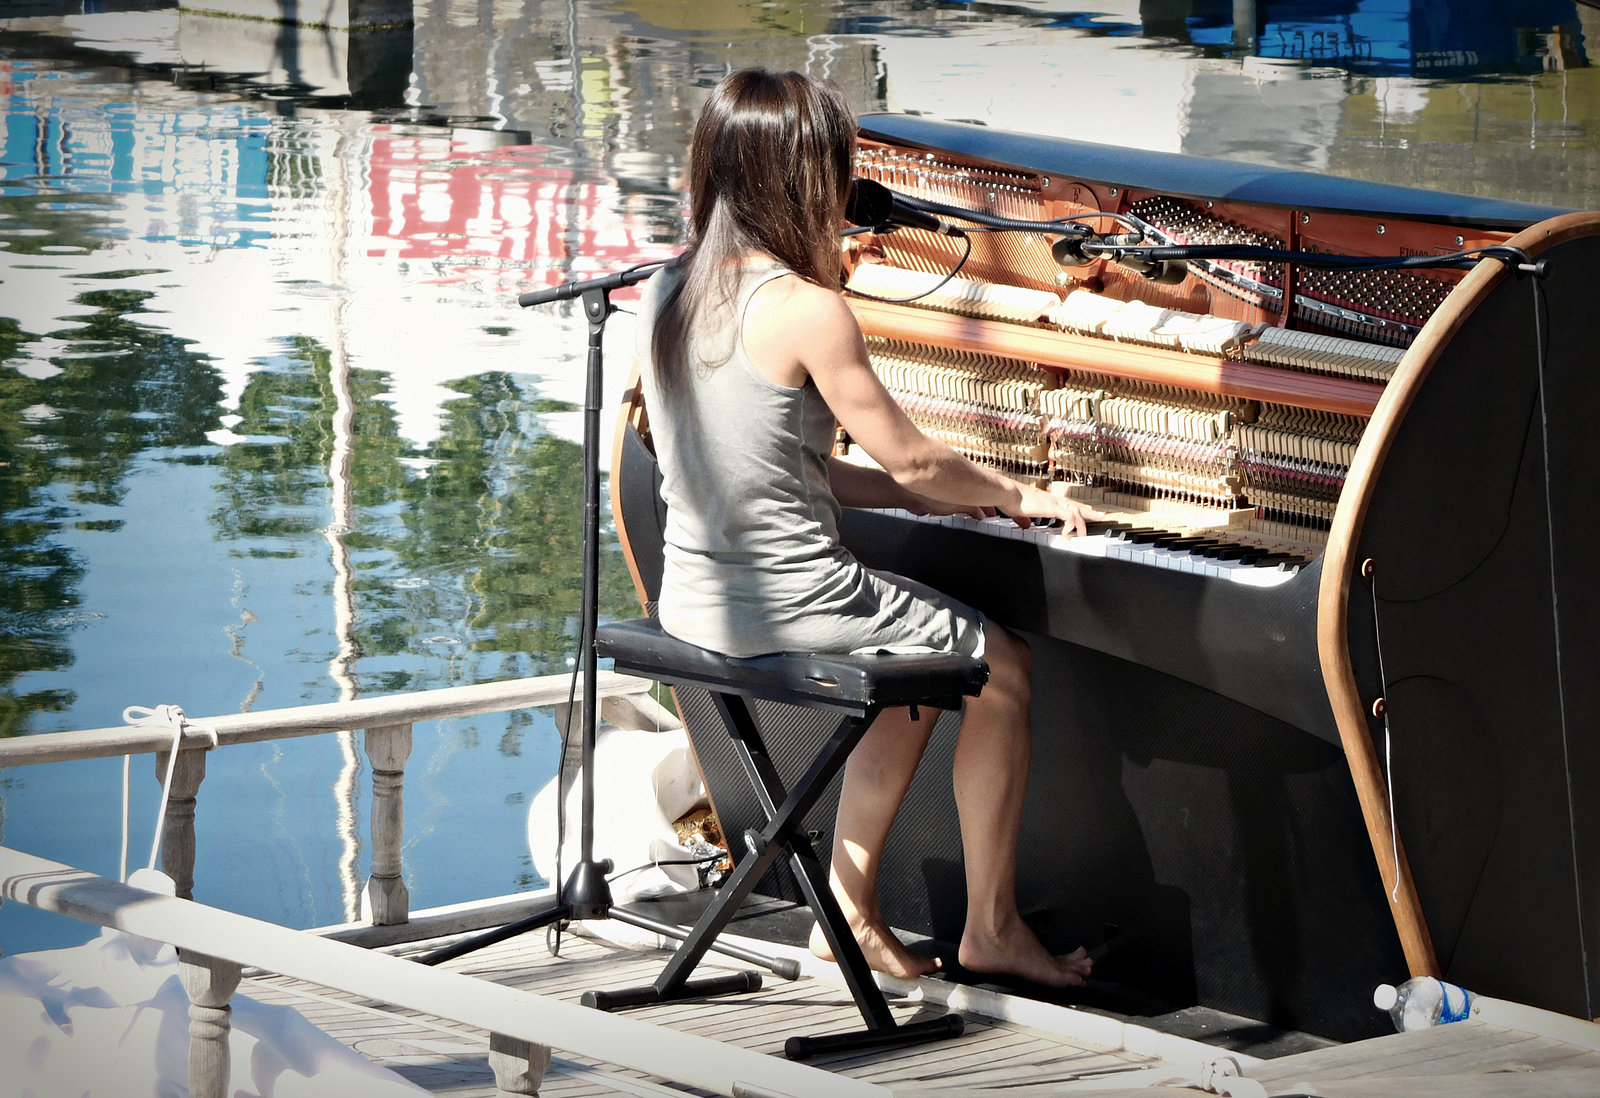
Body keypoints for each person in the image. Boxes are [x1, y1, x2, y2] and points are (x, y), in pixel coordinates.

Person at [635, 68, 1099, 989]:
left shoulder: (667, 291)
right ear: (804, 177)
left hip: (694, 600)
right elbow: (912, 460)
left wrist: (931, 501)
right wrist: (1011, 494)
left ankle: (848, 912)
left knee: (913, 671)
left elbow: (791, 471)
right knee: (1001, 666)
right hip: (789, 604)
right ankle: (993, 929)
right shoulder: (808, 309)